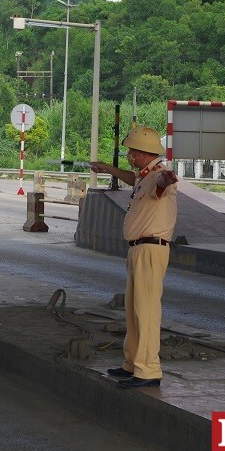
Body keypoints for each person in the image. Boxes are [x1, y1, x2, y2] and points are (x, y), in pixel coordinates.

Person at [91, 125, 178, 389]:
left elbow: (162, 186)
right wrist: (108, 169)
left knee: (147, 311)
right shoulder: (146, 175)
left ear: (143, 153)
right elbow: (133, 179)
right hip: (139, 249)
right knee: (133, 309)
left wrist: (166, 180)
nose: (129, 154)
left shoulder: (159, 175)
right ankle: (132, 363)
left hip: (151, 249)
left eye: (132, 151)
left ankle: (149, 369)